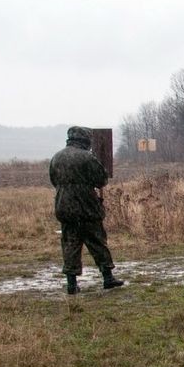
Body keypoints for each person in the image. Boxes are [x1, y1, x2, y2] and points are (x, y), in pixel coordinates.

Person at [49, 126, 124, 294]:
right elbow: (101, 180)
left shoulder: (56, 157)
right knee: (97, 242)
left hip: (64, 208)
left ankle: (71, 284)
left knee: (70, 244)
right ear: (85, 140)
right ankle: (108, 277)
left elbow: (53, 180)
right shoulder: (87, 157)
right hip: (86, 208)